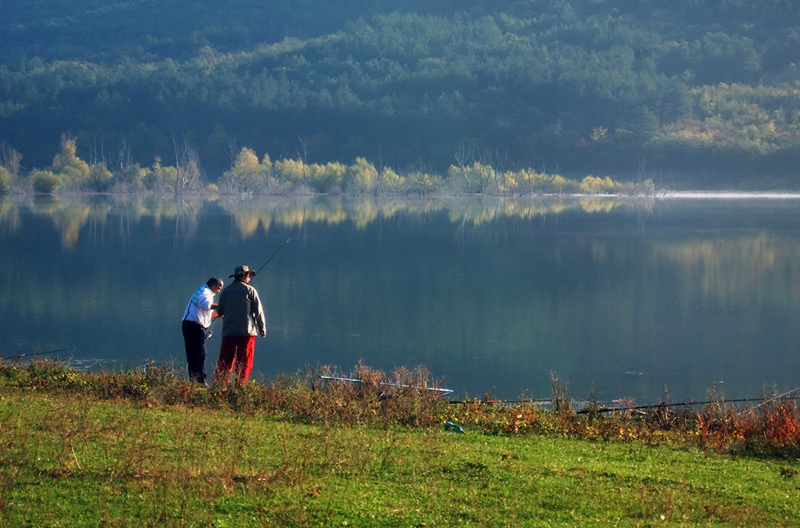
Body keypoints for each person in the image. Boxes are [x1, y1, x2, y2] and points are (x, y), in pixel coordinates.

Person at [214, 265, 267, 387]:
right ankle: (239, 386)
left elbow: (220, 311)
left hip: (228, 332)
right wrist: (262, 328)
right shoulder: (250, 291)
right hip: (246, 333)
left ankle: (219, 385)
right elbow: (258, 312)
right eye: (249, 276)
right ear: (243, 276)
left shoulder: (226, 291)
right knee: (244, 361)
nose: (249, 278)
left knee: (225, 361)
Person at [181, 276, 224, 384]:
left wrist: (219, 315)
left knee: (193, 354)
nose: (219, 291)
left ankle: (194, 379)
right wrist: (223, 306)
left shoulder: (203, 292)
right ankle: (200, 380)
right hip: (194, 327)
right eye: (219, 288)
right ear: (213, 285)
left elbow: (206, 312)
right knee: (200, 353)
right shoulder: (205, 292)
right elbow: (205, 305)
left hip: (189, 325)